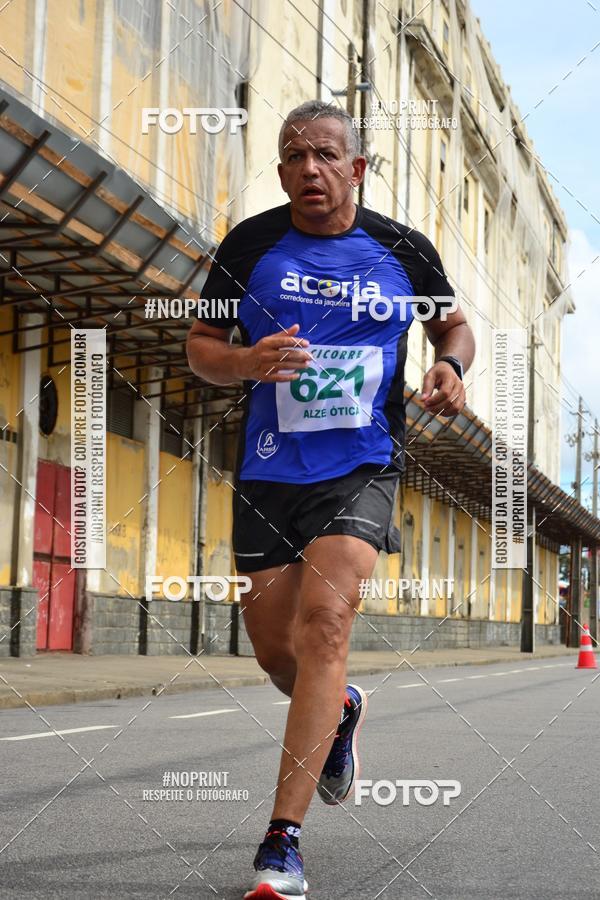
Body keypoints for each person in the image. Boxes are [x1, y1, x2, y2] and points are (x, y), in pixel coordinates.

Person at [186, 99, 475, 900]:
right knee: (278, 654)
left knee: (326, 624)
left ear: (357, 167)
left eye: (323, 154)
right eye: (292, 155)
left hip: (362, 463)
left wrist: (452, 367)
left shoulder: (402, 249)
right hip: (269, 470)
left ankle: (282, 839)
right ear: (281, 172)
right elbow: (201, 347)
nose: (307, 167)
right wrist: (245, 363)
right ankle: (340, 710)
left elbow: (452, 326)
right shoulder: (250, 245)